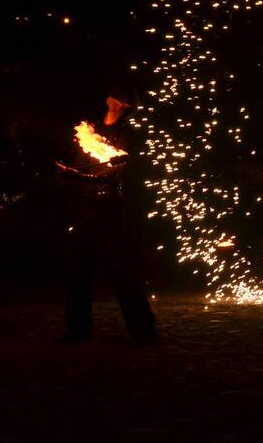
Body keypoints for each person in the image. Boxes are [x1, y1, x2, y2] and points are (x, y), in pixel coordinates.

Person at [57, 86, 159, 345]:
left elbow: (114, 175)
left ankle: (145, 333)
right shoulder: (88, 130)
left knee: (119, 271)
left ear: (128, 106)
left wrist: (79, 177)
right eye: (115, 96)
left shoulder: (126, 136)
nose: (117, 101)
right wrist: (68, 174)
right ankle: (77, 332)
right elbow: (77, 165)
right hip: (83, 208)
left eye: (124, 99)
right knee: (77, 269)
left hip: (110, 209)